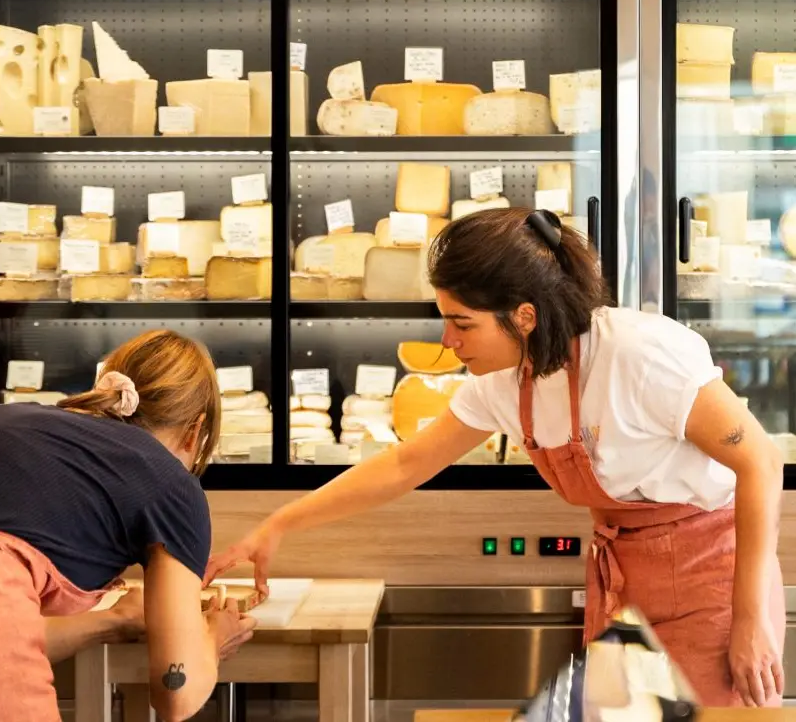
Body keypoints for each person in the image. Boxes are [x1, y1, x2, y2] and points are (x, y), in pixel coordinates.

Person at [207, 208, 786, 709]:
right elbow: (404, 465)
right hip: (622, 574)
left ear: (525, 316)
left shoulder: (640, 354)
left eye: (462, 323)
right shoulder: (505, 382)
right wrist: (279, 524)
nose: (448, 341)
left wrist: (751, 619)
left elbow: (759, 461)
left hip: (713, 575)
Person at [0, 329, 256, 722]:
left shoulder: (2, 417)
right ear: (196, 431)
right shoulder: (172, 483)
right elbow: (176, 693)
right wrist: (213, 638)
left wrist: (112, 621)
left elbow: (5, 635)